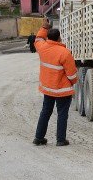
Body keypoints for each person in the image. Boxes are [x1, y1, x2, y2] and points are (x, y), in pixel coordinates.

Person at [32, 17, 78, 146]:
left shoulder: (42, 48)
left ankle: (39, 138)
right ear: (59, 38)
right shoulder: (64, 53)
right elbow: (72, 74)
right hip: (62, 90)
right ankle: (60, 140)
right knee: (62, 114)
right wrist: (73, 82)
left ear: (49, 37)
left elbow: (38, 39)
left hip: (48, 88)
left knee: (45, 112)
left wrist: (44, 27)